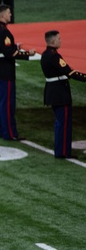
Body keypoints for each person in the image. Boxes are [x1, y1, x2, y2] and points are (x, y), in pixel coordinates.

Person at [0, 4, 35, 141]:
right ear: (2, 15)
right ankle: (10, 132)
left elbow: (2, 47)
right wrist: (27, 54)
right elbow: (9, 53)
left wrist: (15, 46)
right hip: (5, 70)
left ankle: (2, 130)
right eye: (9, 13)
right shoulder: (4, 32)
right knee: (7, 103)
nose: (11, 15)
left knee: (0, 101)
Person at [40, 30, 86, 160]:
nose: (61, 41)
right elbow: (69, 72)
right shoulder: (55, 56)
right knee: (64, 123)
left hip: (53, 92)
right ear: (53, 41)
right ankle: (63, 152)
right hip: (60, 93)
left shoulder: (45, 54)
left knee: (60, 123)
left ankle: (61, 150)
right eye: (59, 39)